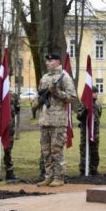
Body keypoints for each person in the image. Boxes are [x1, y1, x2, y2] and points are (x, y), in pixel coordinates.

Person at [36, 53, 77, 187]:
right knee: (45, 150)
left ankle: (59, 176)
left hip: (58, 121)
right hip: (45, 119)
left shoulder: (64, 77)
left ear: (58, 62)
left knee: (56, 149)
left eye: (51, 61)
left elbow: (72, 97)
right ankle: (49, 176)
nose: (47, 63)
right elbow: (40, 96)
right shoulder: (44, 78)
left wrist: (57, 92)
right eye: (47, 61)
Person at [0, 93, 20, 181]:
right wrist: (2, 109)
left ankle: (9, 172)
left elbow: (17, 108)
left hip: (9, 128)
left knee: (8, 151)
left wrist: (10, 110)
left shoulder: (13, 95)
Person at [77, 90, 102, 176]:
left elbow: (99, 117)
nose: (95, 94)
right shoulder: (83, 104)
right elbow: (79, 116)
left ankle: (93, 169)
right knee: (84, 151)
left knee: (94, 152)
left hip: (95, 133)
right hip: (86, 132)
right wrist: (85, 111)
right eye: (94, 92)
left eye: (96, 92)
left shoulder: (98, 105)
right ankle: (83, 170)